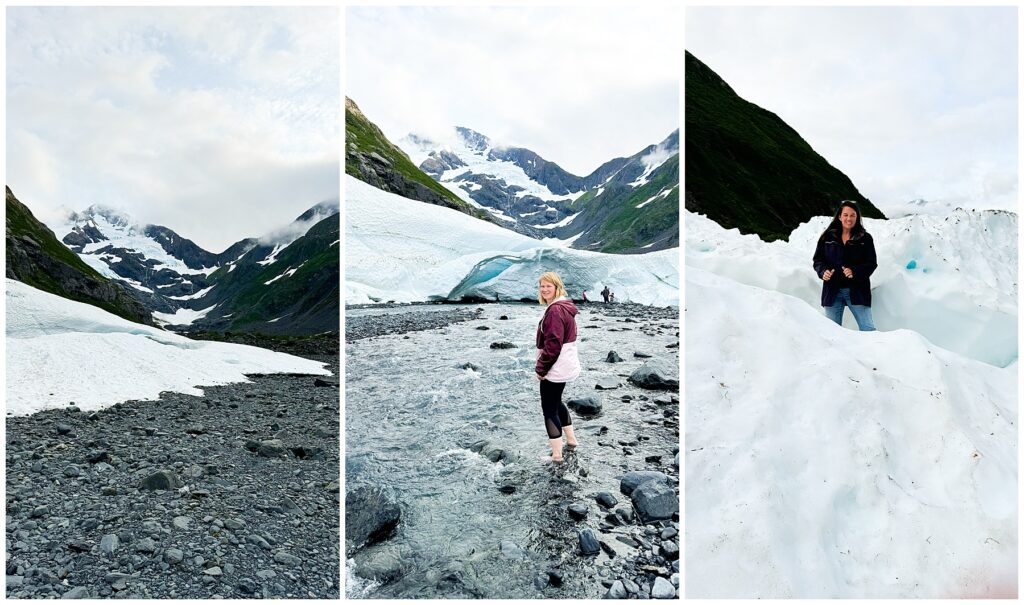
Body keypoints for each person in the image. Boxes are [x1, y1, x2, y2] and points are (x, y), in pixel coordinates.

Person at [535, 271, 581, 463]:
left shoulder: (555, 310)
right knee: (556, 401)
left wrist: (541, 368)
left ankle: (557, 455)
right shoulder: (564, 307)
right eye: (542, 286)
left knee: (549, 408)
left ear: (557, 287)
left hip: (555, 367)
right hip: (565, 364)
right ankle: (571, 440)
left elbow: (553, 343)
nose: (545, 289)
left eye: (549, 286)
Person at [813, 200, 878, 331]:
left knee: (868, 329)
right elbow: (818, 260)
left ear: (857, 217)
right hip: (832, 290)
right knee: (832, 332)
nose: (849, 218)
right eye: (846, 215)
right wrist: (823, 271)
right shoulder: (827, 237)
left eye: (853, 215)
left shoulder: (865, 238)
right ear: (839, 216)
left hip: (857, 290)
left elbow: (872, 263)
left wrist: (855, 271)